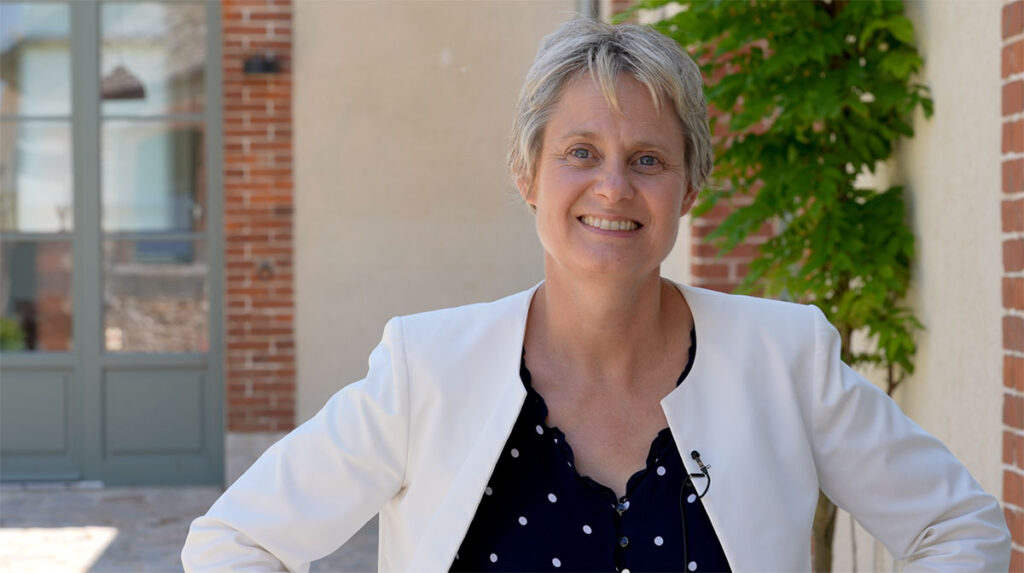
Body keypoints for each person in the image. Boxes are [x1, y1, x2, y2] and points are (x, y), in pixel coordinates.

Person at [182, 18, 1011, 572]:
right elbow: (234, 540)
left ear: (689, 188)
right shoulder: (426, 368)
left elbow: (961, 528)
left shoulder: (787, 358)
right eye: (580, 152)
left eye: (648, 159)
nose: (613, 187)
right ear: (527, 175)